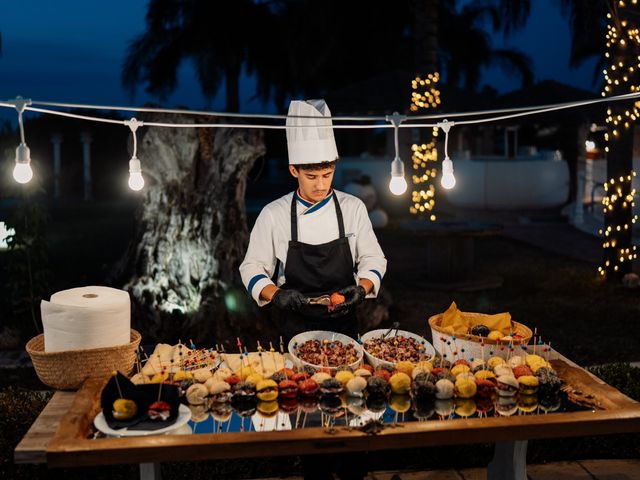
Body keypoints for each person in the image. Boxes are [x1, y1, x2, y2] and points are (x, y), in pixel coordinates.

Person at [240, 99, 387, 342]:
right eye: (311, 176)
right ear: (293, 170)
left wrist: (362, 289)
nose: (321, 185)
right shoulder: (274, 214)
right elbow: (252, 267)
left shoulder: (353, 208)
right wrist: (276, 294)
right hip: (295, 326)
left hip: (346, 324)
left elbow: (373, 258)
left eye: (327, 175)